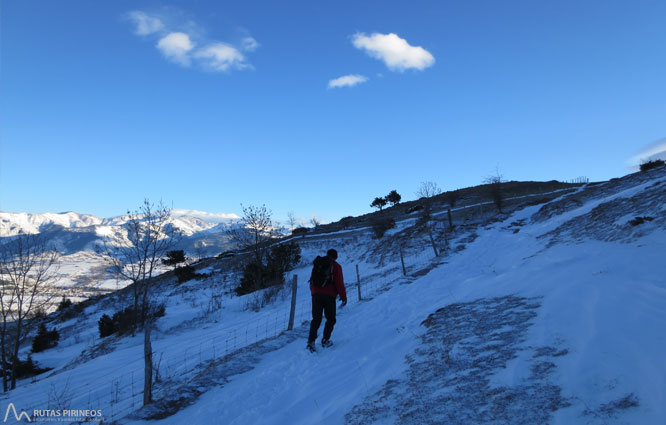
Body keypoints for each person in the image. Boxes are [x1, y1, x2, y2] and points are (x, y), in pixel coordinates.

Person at [307, 248, 347, 352]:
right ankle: (325, 340)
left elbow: (312, 280)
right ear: (336, 257)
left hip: (316, 294)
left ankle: (311, 342)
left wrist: (314, 293)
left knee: (316, 319)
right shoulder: (336, 267)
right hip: (329, 296)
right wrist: (343, 297)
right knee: (331, 318)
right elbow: (339, 283)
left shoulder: (318, 264)